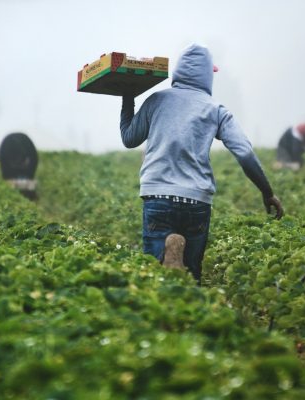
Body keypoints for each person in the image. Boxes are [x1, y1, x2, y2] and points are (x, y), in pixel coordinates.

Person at [119, 43, 284, 284]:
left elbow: (129, 139)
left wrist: (127, 98)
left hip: (158, 196)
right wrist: (267, 192)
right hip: (196, 199)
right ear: (208, 75)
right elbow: (245, 153)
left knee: (153, 278)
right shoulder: (216, 110)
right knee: (192, 277)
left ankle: (168, 254)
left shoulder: (156, 100)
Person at [0, 132, 38, 201]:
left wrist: (28, 181)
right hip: (10, 168)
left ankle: (30, 195)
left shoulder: (29, 149)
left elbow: (34, 162)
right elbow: (5, 174)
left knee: (28, 186)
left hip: (27, 165)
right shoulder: (5, 151)